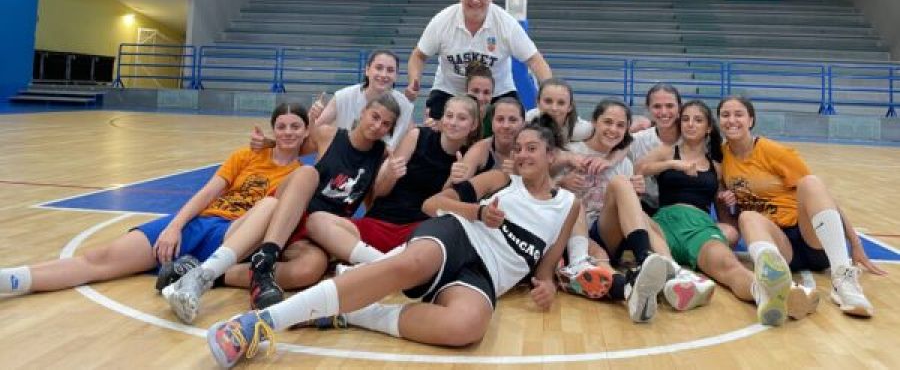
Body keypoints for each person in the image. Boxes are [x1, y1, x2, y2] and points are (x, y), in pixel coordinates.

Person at [203, 117, 666, 368]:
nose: (522, 154)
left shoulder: (567, 206)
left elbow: (544, 264)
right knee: (407, 264)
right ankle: (259, 322)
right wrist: (477, 212)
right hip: (457, 236)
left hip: (486, 276)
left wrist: (545, 285)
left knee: (466, 329)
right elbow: (433, 204)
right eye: (518, 148)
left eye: (532, 148)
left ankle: (354, 312)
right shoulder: (498, 180)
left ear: (551, 155)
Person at [0, 102, 308, 298]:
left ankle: (203, 274)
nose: (288, 132)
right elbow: (207, 193)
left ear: (307, 131)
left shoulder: (300, 176)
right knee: (100, 259)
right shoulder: (245, 156)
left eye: (295, 126)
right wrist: (174, 226)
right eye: (281, 126)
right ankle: (14, 279)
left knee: (269, 205)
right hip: (199, 223)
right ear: (273, 128)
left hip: (233, 236)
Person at [162, 94, 401, 323]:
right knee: (307, 173)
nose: (378, 126)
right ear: (363, 112)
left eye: (386, 123)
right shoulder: (328, 134)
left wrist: (388, 179)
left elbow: (368, 199)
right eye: (375, 117)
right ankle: (262, 257)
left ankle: (208, 273)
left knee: (311, 269)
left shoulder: (381, 155)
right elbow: (289, 144)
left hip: (321, 230)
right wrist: (265, 143)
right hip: (292, 211)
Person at [636, 100, 819, 324]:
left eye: (698, 120)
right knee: (639, 219)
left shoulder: (716, 166)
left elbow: (724, 213)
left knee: (730, 268)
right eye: (685, 119)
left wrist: (727, 212)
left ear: (708, 128)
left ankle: (771, 294)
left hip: (699, 227)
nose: (690, 124)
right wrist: (674, 164)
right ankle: (674, 271)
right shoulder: (667, 151)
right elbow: (640, 168)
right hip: (664, 224)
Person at [717, 96, 885, 320]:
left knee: (811, 182)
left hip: (809, 236)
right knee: (747, 216)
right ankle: (776, 282)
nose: (731, 120)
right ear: (719, 121)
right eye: (725, 115)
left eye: (738, 114)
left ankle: (843, 280)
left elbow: (822, 198)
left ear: (751, 120)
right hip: (780, 245)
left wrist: (855, 244)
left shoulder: (774, 151)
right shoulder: (722, 156)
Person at [555, 98, 712, 317]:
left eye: (620, 125)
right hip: (573, 232)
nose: (613, 129)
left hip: (605, 231)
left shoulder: (624, 162)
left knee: (623, 185)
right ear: (594, 122)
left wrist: (634, 193)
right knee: (575, 202)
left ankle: (662, 265)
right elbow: (539, 190)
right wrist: (560, 182)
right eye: (607, 122)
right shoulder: (570, 152)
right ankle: (635, 283)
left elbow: (629, 211)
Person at [307, 95, 486, 258]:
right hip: (382, 221)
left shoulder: (471, 156)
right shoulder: (418, 136)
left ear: (474, 125)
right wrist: (390, 174)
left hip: (418, 232)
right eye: (449, 115)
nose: (453, 122)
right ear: (442, 117)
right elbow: (380, 192)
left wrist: (454, 181)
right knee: (317, 221)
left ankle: (375, 262)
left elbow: (442, 206)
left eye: (462, 118)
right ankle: (380, 263)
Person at [405, 0, 552, 119]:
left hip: (497, 91)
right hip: (451, 90)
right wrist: (414, 82)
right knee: (433, 126)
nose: (475, 0)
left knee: (512, 125)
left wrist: (549, 92)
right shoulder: (442, 21)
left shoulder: (506, 23)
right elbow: (419, 56)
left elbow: (535, 60)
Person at [311, 49, 414, 149]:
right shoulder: (343, 96)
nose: (384, 74)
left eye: (390, 70)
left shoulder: (404, 105)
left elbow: (407, 141)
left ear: (396, 76)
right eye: (379, 68)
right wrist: (312, 117)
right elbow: (314, 132)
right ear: (367, 70)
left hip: (383, 159)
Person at [627, 83, 683, 216]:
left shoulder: (693, 139)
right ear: (648, 108)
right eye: (657, 106)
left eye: (670, 106)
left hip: (681, 209)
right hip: (644, 207)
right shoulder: (636, 140)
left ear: (679, 107)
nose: (663, 112)